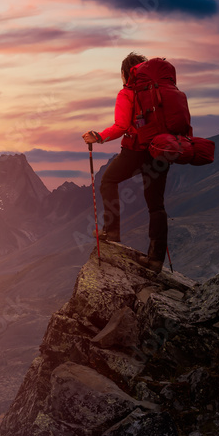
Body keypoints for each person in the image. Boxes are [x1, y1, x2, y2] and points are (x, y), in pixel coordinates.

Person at [81, 52, 169, 274]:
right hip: (161, 151)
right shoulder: (161, 91)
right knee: (156, 206)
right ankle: (156, 259)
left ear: (125, 73)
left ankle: (112, 232)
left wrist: (98, 136)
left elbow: (121, 126)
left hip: (136, 150)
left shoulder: (127, 93)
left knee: (108, 180)